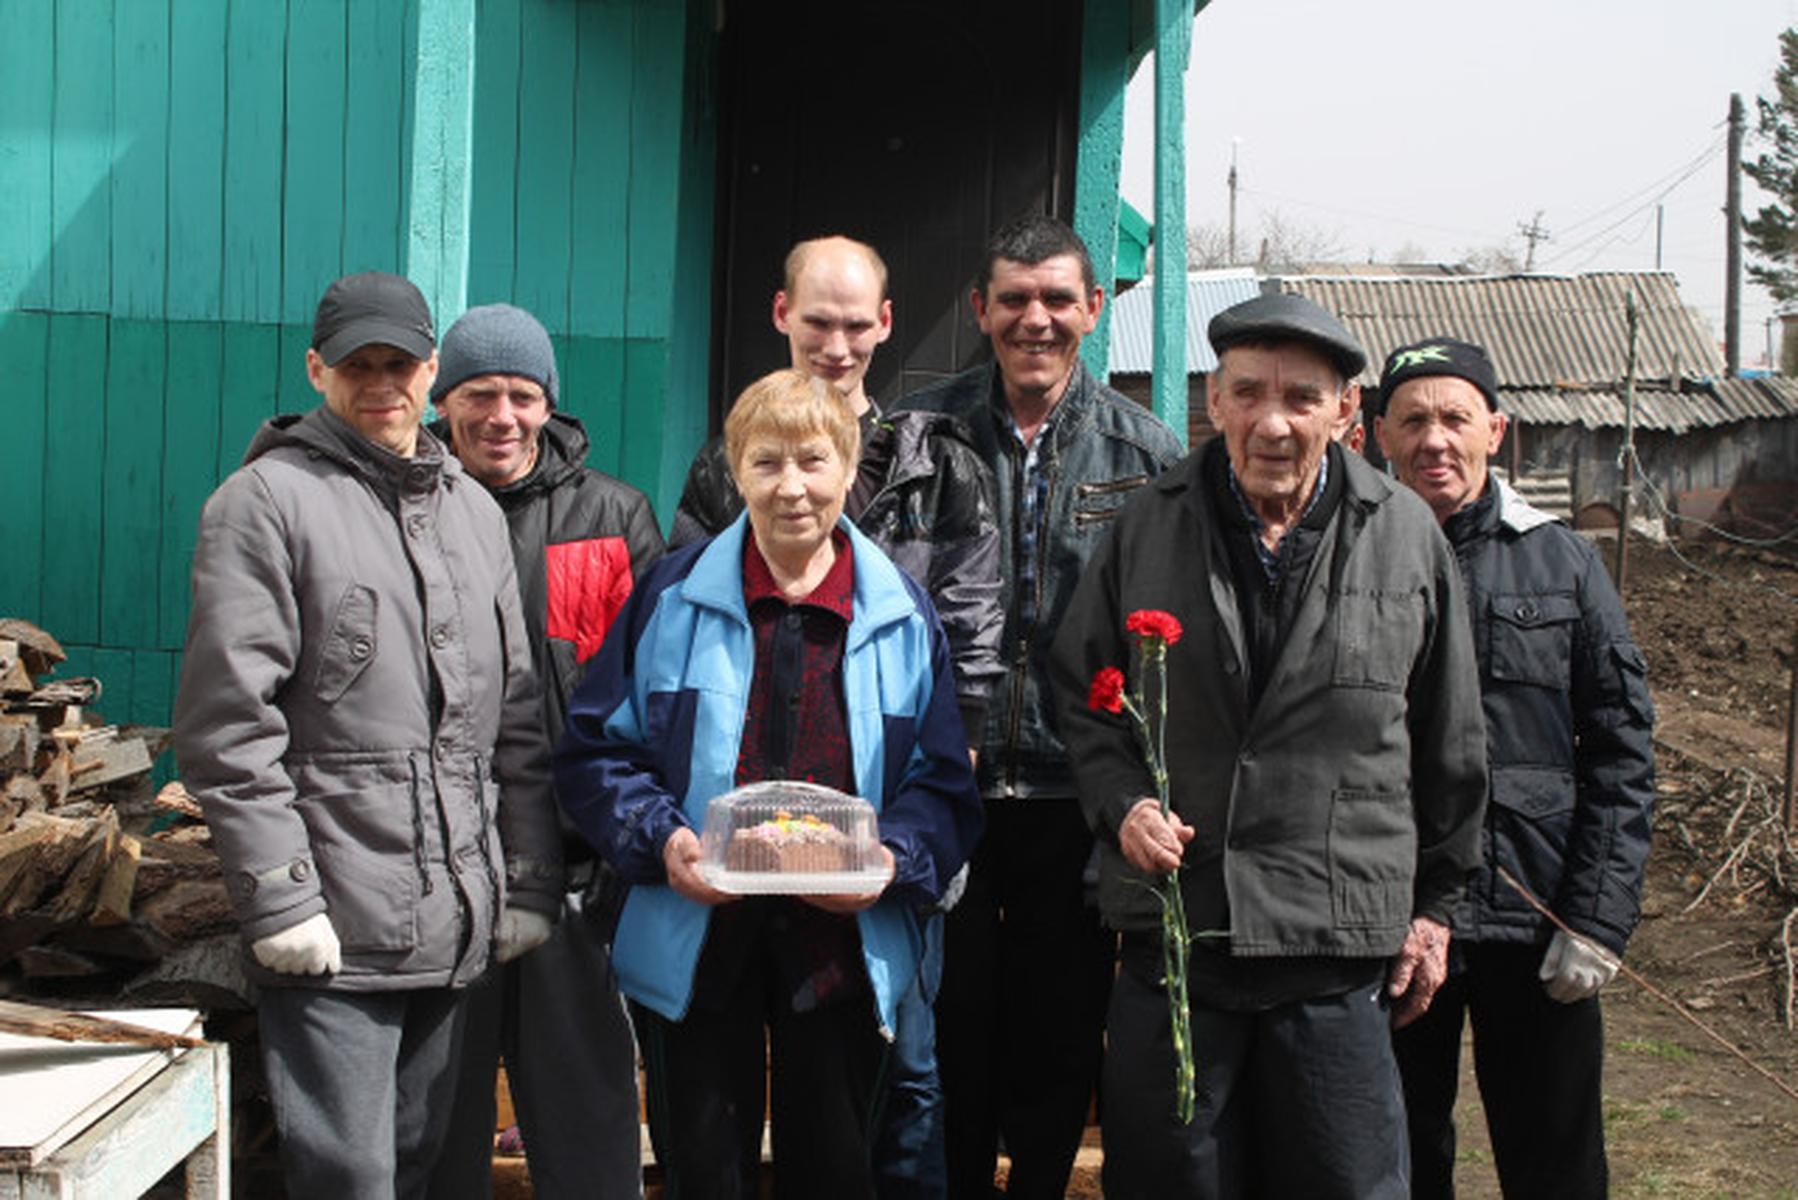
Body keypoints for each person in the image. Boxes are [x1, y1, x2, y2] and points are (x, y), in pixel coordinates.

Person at [1050, 293, 1489, 1198]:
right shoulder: (1149, 523)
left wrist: (1436, 908)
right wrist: (1123, 804)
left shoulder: (1404, 534)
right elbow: (1084, 697)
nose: (1273, 423)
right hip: (1180, 935)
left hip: (1334, 946)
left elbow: (1449, 740)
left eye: (1302, 398)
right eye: (1249, 393)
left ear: (1346, 411)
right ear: (1214, 401)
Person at [173, 271, 563, 1197]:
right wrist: (280, 897)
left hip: (456, 918)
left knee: (425, 1164)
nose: (382, 385)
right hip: (337, 923)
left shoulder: (470, 510)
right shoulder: (266, 502)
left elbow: (513, 715)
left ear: (431, 373)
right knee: (348, 1175)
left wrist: (528, 877)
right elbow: (229, 723)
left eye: (401, 364)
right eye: (359, 366)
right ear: (317, 370)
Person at [554, 368, 985, 1199]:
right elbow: (596, 751)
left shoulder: (900, 614)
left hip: (842, 948)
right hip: (696, 940)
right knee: (703, 1171)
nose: (792, 487)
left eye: (814, 461)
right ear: (735, 471)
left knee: (835, 1170)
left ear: (848, 469)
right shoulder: (670, 598)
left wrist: (889, 862)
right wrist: (662, 841)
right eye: (766, 462)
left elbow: (942, 785)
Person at [671, 235, 1003, 1196]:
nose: (838, 344)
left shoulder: (937, 466)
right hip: (736, 856)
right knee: (719, 1103)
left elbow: (968, 657)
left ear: (886, 325)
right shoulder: (723, 463)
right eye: (818, 321)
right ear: (782, 316)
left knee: (899, 1078)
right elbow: (691, 640)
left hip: (879, 849)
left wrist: (909, 843)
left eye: (857, 324)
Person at [898, 213, 1184, 1198]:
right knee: (953, 1018)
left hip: (1077, 793)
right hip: (953, 784)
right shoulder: (920, 433)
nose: (1036, 319)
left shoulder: (1144, 451)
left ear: (1093, 309)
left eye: (1057, 299)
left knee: (1060, 1030)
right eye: (1014, 299)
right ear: (980, 309)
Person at [1374, 337, 1656, 1199]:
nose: (1434, 441)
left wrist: (1597, 919)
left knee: (1554, 1164)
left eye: (1455, 419)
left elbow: (1620, 748)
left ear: (1495, 431)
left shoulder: (1562, 561)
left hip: (1536, 916)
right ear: (1378, 435)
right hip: (1388, 914)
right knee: (1395, 1160)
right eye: (1412, 420)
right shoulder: (1353, 555)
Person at [424, 304, 664, 1200]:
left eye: (522, 395)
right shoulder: (408, 508)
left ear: (550, 404)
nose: (502, 416)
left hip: (574, 877)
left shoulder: (613, 515)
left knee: (588, 1121)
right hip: (442, 874)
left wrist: (623, 848)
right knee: (438, 1123)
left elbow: (653, 703)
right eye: (479, 394)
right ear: (443, 400)